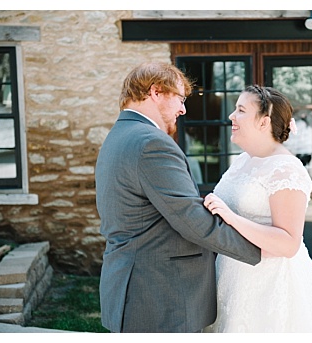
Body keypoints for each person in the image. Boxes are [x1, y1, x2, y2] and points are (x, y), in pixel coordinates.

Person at [95, 61, 262, 333]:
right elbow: (191, 219)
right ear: (156, 92)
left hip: (133, 284)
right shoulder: (151, 143)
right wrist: (260, 251)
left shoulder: (118, 136)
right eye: (180, 99)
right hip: (159, 295)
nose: (183, 109)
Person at [202, 85, 312, 332]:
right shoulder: (244, 159)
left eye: (241, 110)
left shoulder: (286, 169)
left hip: (270, 282)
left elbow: (287, 243)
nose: (232, 116)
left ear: (264, 122)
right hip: (232, 275)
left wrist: (231, 218)